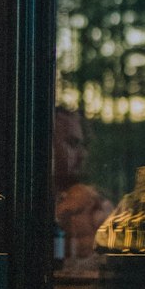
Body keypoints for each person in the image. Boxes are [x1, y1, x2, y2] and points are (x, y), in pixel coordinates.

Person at [54, 106, 113, 266]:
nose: (82, 155)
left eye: (82, 145)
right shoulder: (21, 202)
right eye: (72, 143)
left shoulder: (93, 205)